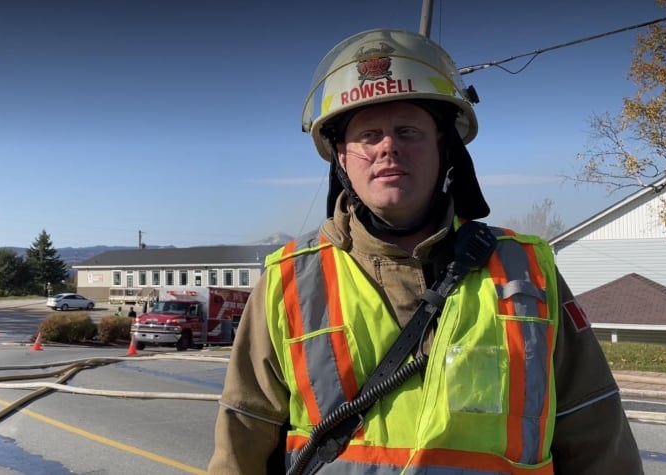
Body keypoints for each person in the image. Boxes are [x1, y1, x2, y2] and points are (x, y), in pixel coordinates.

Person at [208, 29, 643, 474]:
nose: (387, 147)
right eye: (368, 135)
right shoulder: (287, 283)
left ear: (444, 146)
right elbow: (240, 445)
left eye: (408, 132)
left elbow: (596, 435)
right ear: (341, 157)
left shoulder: (526, 273)